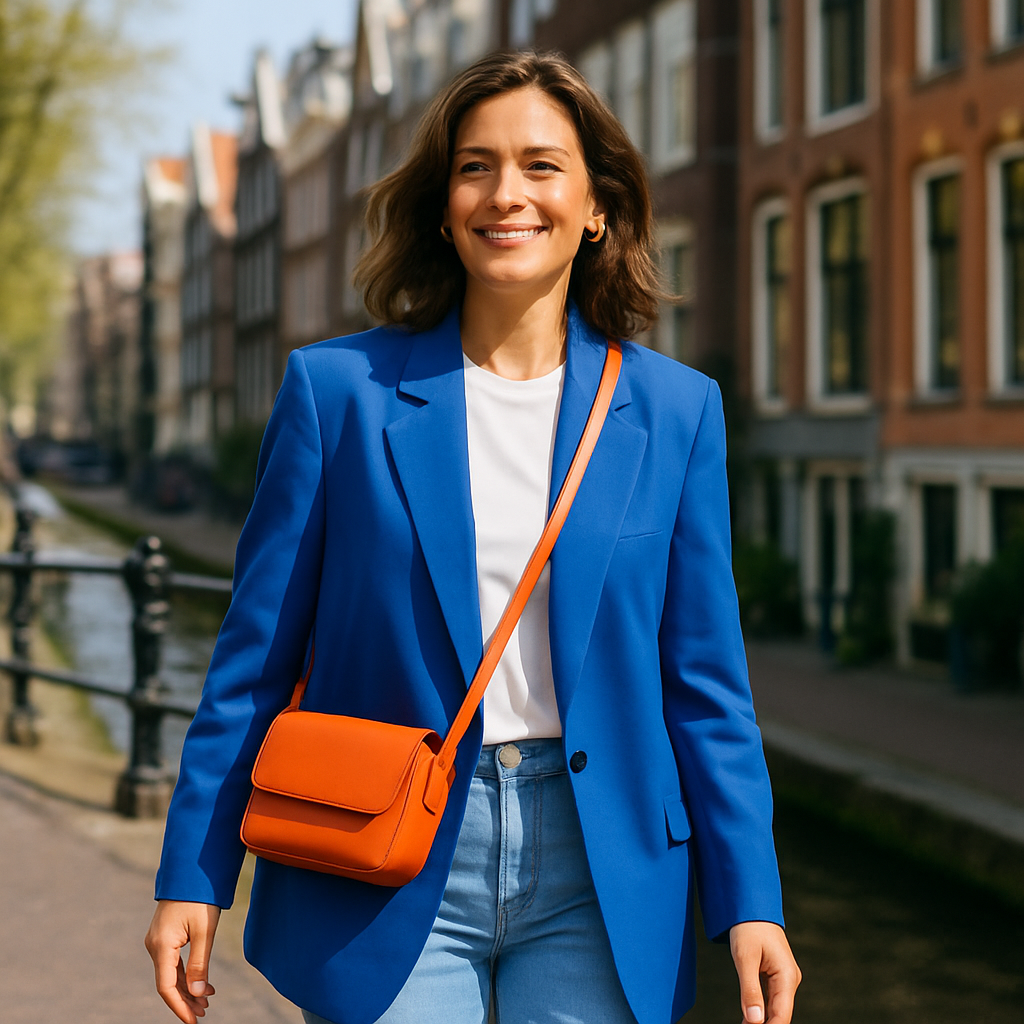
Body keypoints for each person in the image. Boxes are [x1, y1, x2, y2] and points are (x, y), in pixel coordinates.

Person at [145, 50, 801, 1024]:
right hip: (386, 853)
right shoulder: (337, 397)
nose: (507, 194)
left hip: (601, 864)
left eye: (542, 166)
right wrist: (194, 870)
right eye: (474, 166)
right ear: (443, 204)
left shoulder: (675, 412)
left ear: (597, 207)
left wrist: (751, 900)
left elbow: (706, 687)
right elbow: (252, 661)